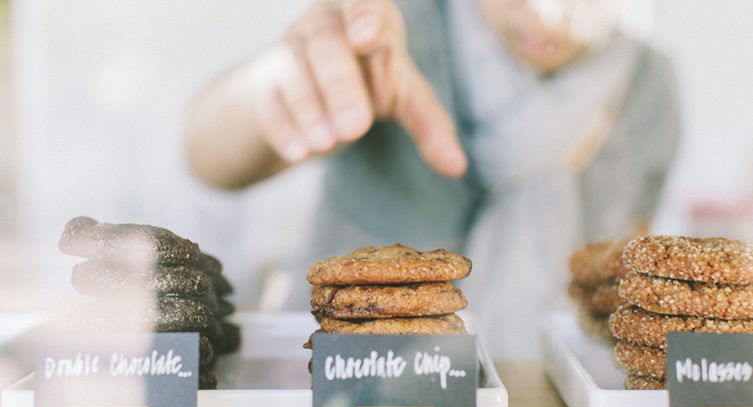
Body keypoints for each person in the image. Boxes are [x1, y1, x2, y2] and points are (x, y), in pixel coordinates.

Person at [185, 0, 680, 359]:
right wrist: (277, 83)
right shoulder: (391, 31)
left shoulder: (650, 87)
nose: (546, 12)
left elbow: (625, 273)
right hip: (338, 391)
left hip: (544, 405)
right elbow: (207, 157)